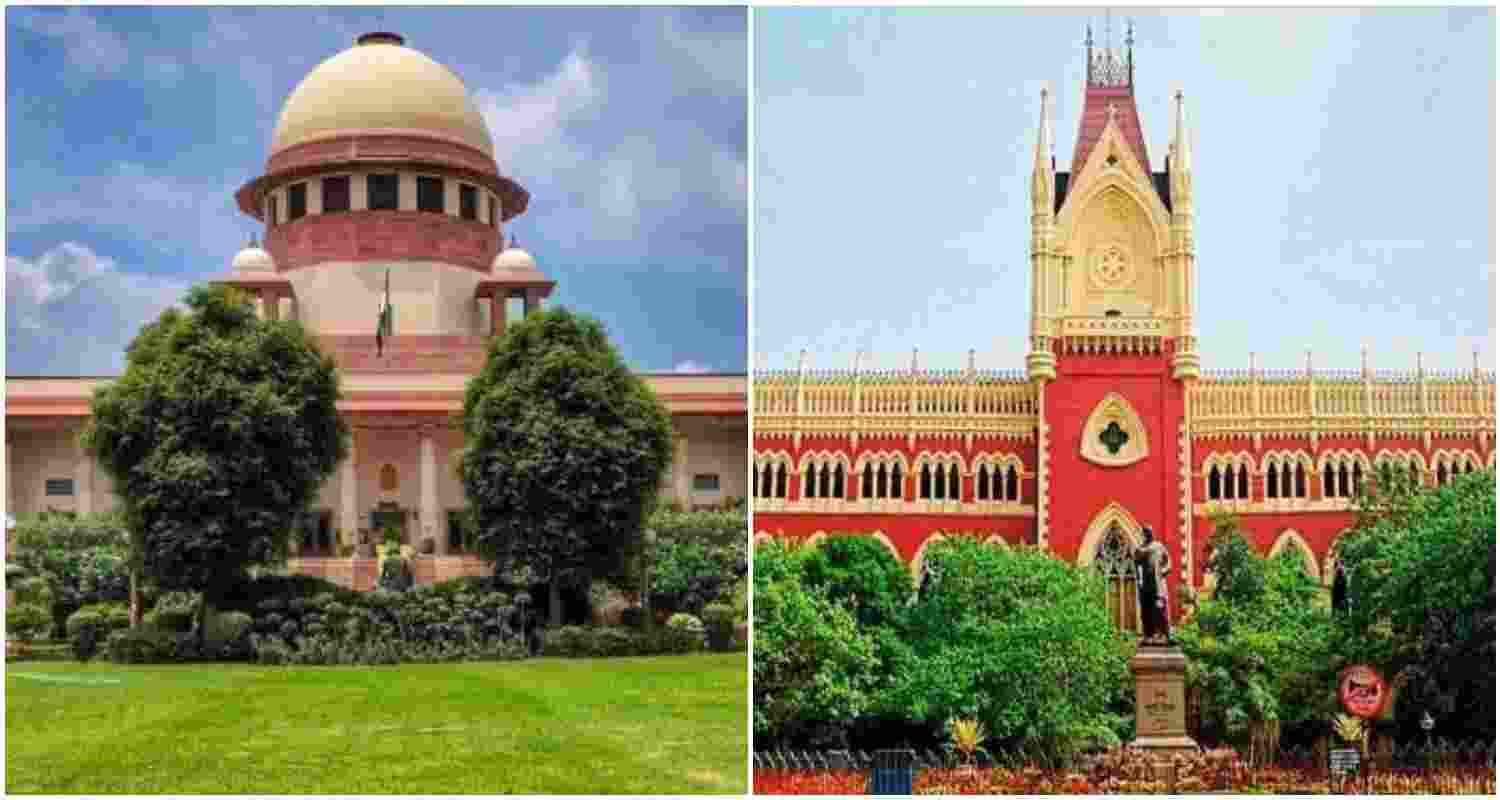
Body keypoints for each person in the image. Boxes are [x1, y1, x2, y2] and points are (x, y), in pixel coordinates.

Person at [1135, 526, 1173, 644]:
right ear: (1144, 534)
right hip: (1146, 586)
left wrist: (1164, 571)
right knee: (1146, 611)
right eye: (1147, 532)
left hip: (1159, 585)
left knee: (1161, 609)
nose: (1149, 534)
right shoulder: (1140, 550)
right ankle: (1148, 635)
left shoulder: (1159, 547)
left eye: (1150, 532)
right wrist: (1140, 580)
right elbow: (1137, 566)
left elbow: (1168, 562)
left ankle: (1166, 634)